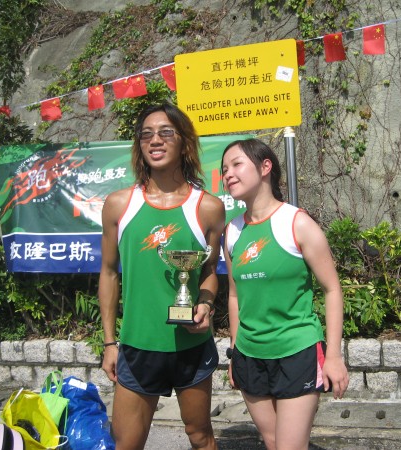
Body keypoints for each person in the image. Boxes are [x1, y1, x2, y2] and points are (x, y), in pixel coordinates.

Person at [98, 103, 225, 450]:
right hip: (137, 347)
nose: (155, 140)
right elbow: (108, 273)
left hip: (191, 347)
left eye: (166, 132)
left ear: (184, 143)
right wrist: (109, 343)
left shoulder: (209, 207)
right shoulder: (119, 204)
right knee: (126, 443)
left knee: (200, 436)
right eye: (146, 134)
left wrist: (204, 304)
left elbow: (210, 271)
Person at [221, 138, 349, 450]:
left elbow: (332, 289)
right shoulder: (232, 231)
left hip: (297, 352)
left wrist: (333, 356)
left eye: (236, 165)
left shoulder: (297, 222)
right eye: (224, 169)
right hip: (249, 354)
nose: (228, 174)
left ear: (265, 167)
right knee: (272, 441)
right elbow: (234, 296)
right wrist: (235, 352)